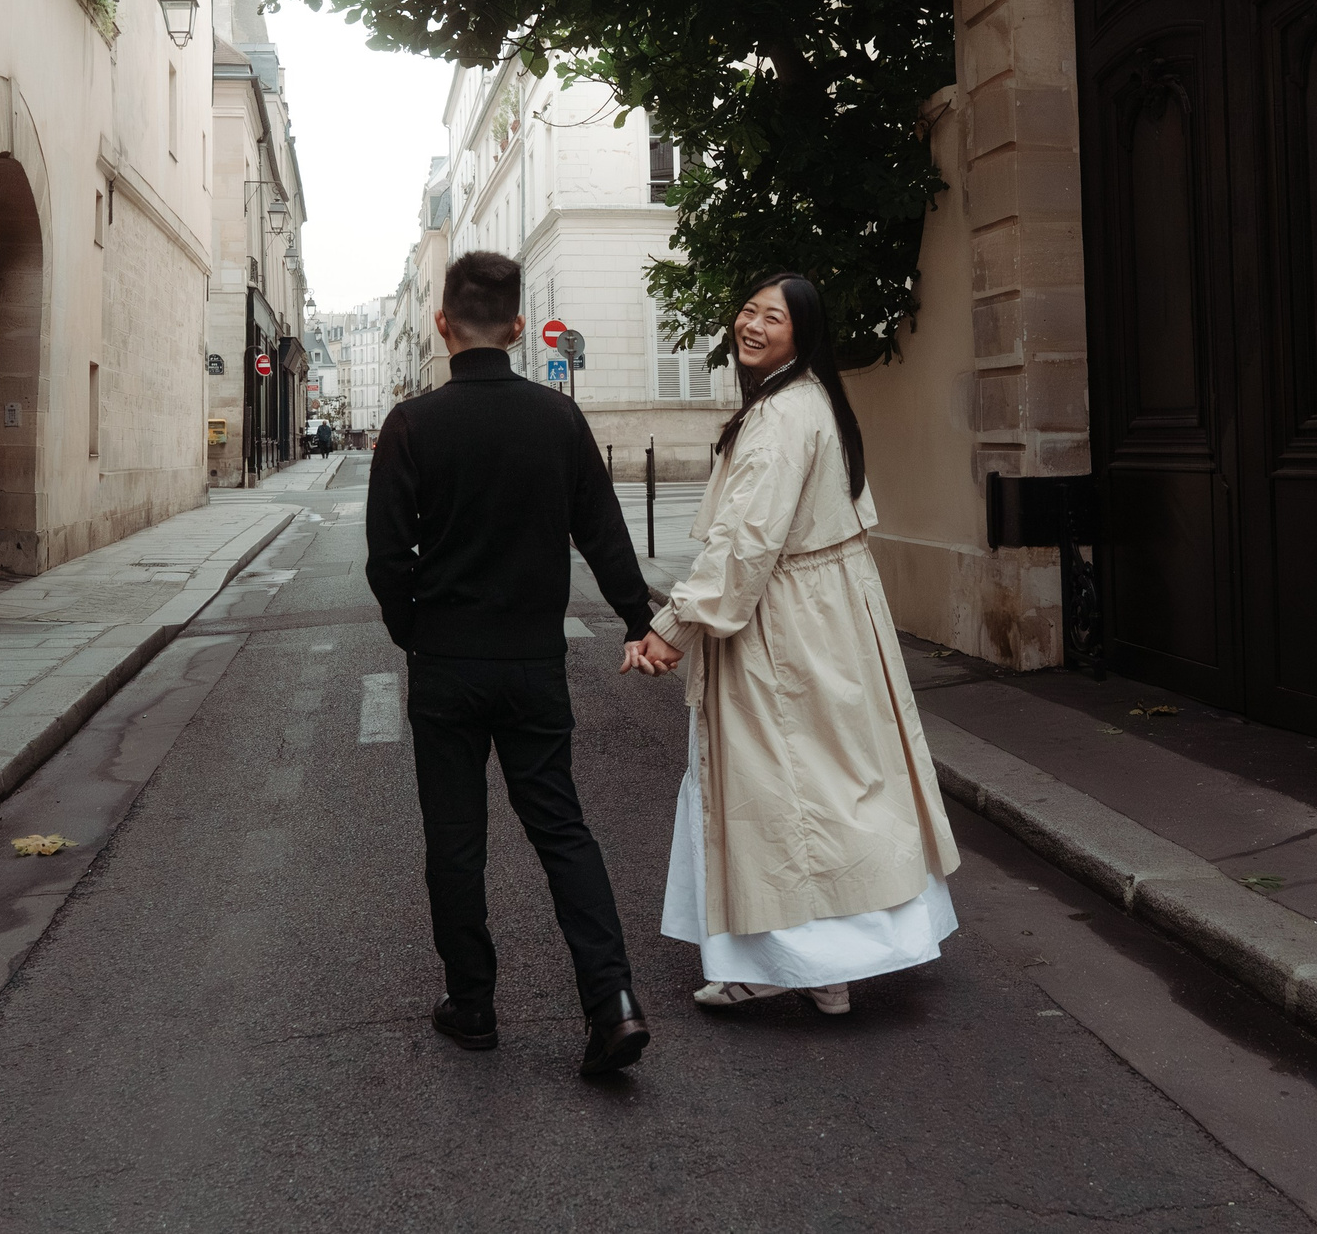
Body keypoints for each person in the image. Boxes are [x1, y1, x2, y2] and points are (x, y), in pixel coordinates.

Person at [625, 274, 961, 1015]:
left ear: (800, 333)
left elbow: (747, 543)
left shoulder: (780, 414)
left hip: (782, 623)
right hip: (826, 614)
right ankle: (815, 961)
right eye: (747, 309)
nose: (751, 324)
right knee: (834, 783)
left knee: (779, 790)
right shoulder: (812, 400)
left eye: (771, 317)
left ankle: (802, 963)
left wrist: (672, 625)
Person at [365, 251, 657, 1076]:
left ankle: (474, 1002)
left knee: (455, 839)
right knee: (561, 828)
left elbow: (386, 558)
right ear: (521, 327)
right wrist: (639, 617)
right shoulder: (558, 420)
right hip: (535, 662)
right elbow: (602, 531)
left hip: (448, 662)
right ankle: (612, 1001)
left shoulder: (412, 425)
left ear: (442, 324)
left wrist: (413, 628)